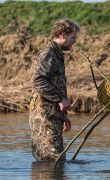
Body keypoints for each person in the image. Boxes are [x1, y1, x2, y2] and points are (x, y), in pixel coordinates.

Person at [29, 18, 79, 161]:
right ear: (63, 35)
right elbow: (38, 81)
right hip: (44, 117)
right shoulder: (49, 53)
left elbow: (56, 84)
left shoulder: (57, 54)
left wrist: (63, 114)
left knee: (56, 160)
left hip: (53, 116)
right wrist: (61, 99)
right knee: (51, 160)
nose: (74, 41)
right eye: (73, 37)